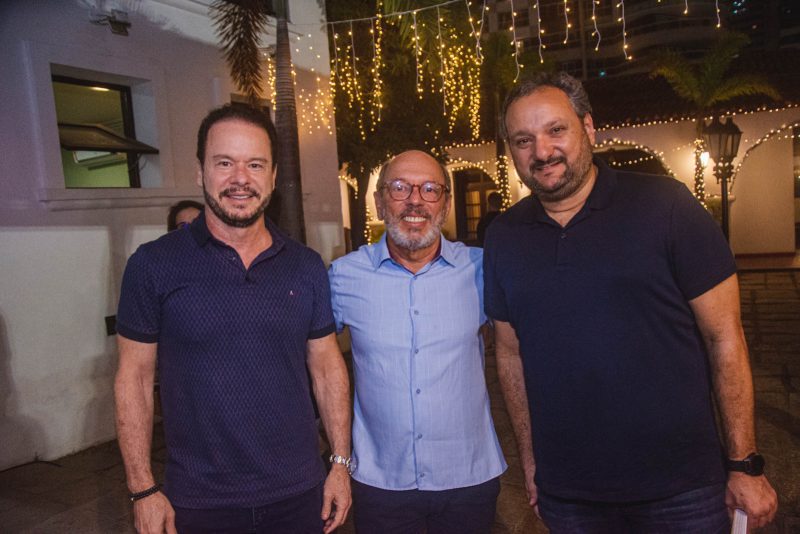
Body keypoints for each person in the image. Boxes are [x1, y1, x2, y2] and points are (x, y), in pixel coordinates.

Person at [484, 72, 778, 532]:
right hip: (570, 493)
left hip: (682, 489)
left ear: (589, 128)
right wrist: (531, 461)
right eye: (523, 139)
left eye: (556, 130)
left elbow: (724, 335)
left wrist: (745, 465)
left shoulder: (666, 206)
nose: (541, 152)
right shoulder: (503, 236)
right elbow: (509, 353)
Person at [114, 103, 352, 534]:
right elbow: (132, 379)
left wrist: (339, 463)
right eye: (224, 162)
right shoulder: (153, 266)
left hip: (300, 495)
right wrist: (143, 488)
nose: (240, 178)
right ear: (200, 171)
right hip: (198, 501)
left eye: (255, 164)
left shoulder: (305, 265)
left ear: (274, 176)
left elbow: (326, 366)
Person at [329, 150, 507, 533]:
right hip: (381, 481)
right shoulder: (343, 277)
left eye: (430, 189)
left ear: (444, 203)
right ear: (379, 201)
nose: (415, 200)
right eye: (399, 188)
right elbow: (315, 363)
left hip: (468, 476)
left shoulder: (480, 269)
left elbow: (525, 346)